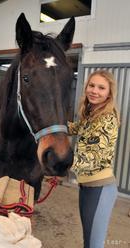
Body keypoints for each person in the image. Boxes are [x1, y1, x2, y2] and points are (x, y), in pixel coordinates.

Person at [68, 70, 119, 248]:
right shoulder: (91, 114)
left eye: (101, 88)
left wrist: (65, 160)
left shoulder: (107, 119)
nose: (94, 91)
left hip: (100, 187)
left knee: (94, 244)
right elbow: (75, 128)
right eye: (91, 85)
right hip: (87, 185)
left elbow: (94, 158)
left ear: (109, 93)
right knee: (88, 241)